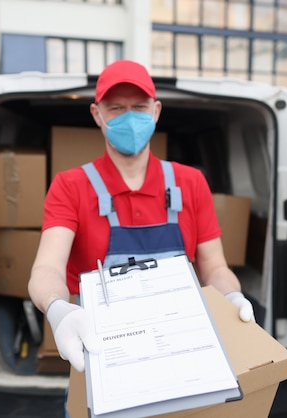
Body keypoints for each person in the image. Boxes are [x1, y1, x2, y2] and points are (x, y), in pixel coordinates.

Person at [28, 59, 254, 373]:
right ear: (97, 115)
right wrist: (57, 308)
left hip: (181, 350)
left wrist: (232, 296)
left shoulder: (190, 183)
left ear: (156, 111)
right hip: (102, 355)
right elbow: (47, 267)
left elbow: (214, 266)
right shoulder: (70, 187)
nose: (129, 117)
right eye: (116, 108)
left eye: (139, 106)